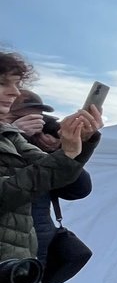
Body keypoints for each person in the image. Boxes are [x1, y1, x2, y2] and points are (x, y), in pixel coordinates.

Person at [1, 51, 103, 283]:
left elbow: (75, 184)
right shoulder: (11, 136)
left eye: (16, 85)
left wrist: (74, 146)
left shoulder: (15, 138)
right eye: (4, 85)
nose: (13, 93)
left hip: (19, 262)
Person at [6, 90, 94, 266]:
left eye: (36, 118)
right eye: (20, 117)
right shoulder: (9, 142)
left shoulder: (37, 149)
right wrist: (14, 135)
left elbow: (79, 190)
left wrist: (60, 153)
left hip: (37, 245)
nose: (32, 123)